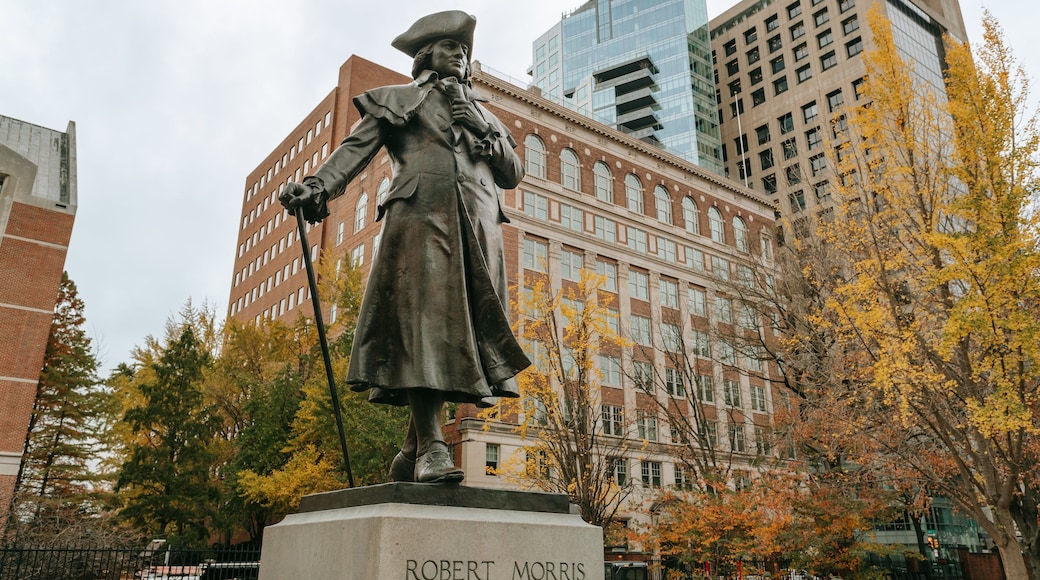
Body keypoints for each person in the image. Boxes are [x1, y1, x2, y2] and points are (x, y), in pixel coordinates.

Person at [279, 10, 530, 484]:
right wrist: (316, 186)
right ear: (426, 55)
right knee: (425, 327)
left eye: (465, 50)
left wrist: (477, 124)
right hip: (420, 219)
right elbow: (354, 151)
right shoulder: (399, 101)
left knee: (462, 335)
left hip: (478, 230)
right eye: (450, 46)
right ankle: (433, 447)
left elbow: (512, 173)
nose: (461, 54)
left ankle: (408, 452)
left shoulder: (484, 114)